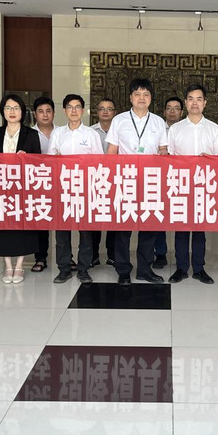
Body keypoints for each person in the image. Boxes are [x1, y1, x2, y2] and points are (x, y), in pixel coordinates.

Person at [106, 78, 169, 285]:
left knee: (149, 227)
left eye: (146, 94)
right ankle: (123, 270)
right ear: (130, 97)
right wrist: (111, 179)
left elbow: (163, 149)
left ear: (151, 98)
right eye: (137, 94)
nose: (142, 98)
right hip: (125, 180)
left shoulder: (158, 122)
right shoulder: (119, 120)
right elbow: (112, 151)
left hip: (151, 181)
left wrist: (163, 155)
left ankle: (144, 269)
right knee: (123, 228)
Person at [167, 83, 218, 285]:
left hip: (204, 185)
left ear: (205, 103)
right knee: (181, 228)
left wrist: (209, 160)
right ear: (185, 102)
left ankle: (199, 269)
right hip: (181, 185)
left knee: (200, 229)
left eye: (199, 99)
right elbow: (170, 159)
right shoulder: (175, 129)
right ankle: (181, 268)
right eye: (191, 99)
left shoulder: (214, 129)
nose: (195, 103)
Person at [0, 94, 42, 284]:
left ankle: (19, 266)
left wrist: (27, 158)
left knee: (21, 228)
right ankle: (8, 265)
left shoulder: (31, 134)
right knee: (3, 226)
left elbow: (39, 163)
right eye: (8, 108)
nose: (12, 112)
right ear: (2, 111)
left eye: (16, 108)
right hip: (0, 187)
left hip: (22, 188)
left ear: (22, 112)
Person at [50, 94, 104, 285]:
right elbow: (51, 159)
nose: (74, 111)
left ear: (83, 110)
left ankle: (83, 269)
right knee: (62, 232)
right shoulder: (57, 133)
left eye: (77, 107)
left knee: (86, 232)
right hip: (63, 188)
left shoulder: (91, 134)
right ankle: (64, 269)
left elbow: (99, 162)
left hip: (85, 188)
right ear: (64, 110)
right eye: (70, 107)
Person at [153, 95, 184, 269]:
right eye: (169, 108)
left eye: (176, 108)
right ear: (164, 112)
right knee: (158, 216)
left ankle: (181, 257)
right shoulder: (157, 128)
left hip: (181, 179)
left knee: (181, 217)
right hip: (159, 179)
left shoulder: (186, 129)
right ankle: (160, 254)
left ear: (182, 112)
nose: (172, 111)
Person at [90, 97, 117, 267]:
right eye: (102, 108)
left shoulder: (120, 131)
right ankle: (93, 255)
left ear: (115, 112)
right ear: (97, 112)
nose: (105, 112)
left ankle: (112, 254)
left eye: (109, 109)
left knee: (114, 219)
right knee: (95, 219)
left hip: (116, 180)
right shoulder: (90, 132)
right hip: (95, 180)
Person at [31, 97, 55, 273]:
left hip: (61, 182)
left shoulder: (62, 132)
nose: (45, 115)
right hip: (38, 183)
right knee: (41, 220)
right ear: (35, 114)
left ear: (54, 113)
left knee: (63, 221)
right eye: (41, 111)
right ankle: (40, 257)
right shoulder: (28, 134)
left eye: (48, 111)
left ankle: (67, 257)